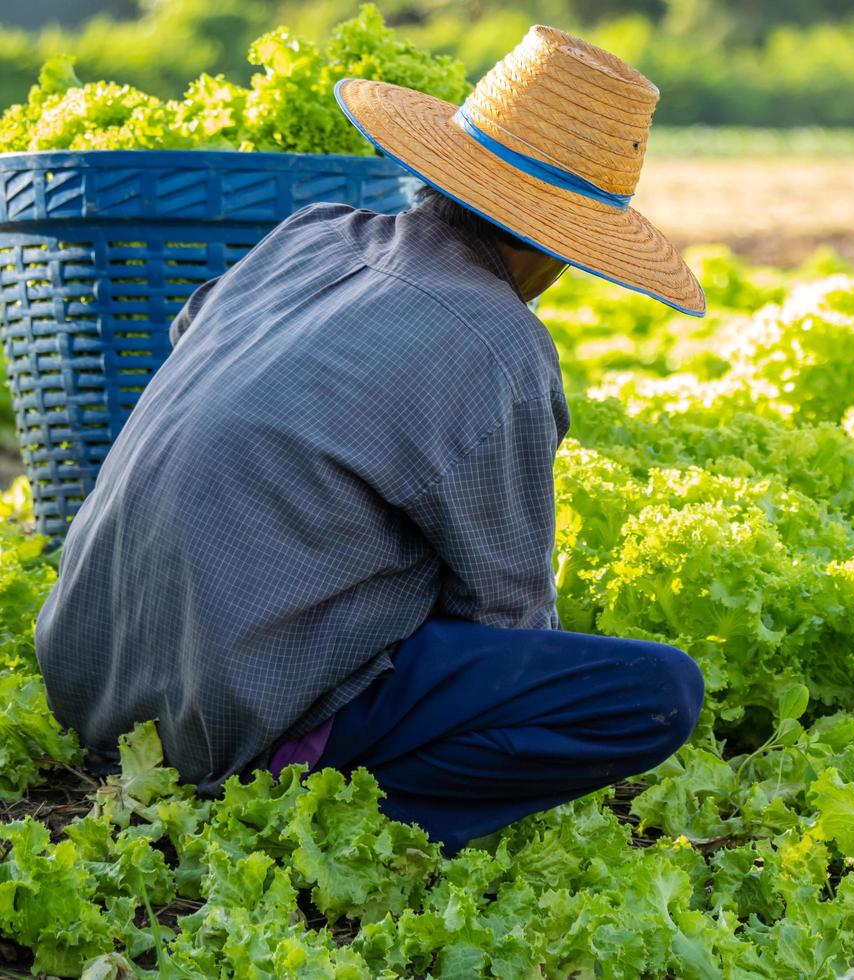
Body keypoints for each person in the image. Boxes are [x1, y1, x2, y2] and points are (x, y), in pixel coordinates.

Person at [33, 26, 707, 855]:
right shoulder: (499, 341)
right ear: (559, 247)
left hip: (87, 673)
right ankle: (326, 819)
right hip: (223, 722)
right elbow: (506, 618)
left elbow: (195, 341)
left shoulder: (311, 233)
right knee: (655, 691)